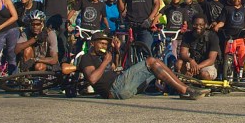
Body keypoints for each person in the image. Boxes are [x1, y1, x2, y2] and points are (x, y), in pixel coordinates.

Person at [78, 32, 209, 100]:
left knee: (157, 66)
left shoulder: (102, 57)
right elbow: (93, 79)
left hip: (123, 86)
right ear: (92, 44)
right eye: (100, 43)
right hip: (115, 90)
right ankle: (185, 91)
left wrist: (116, 52)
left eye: (105, 44)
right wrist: (105, 62)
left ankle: (182, 88)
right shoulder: (87, 58)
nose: (103, 46)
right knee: (151, 61)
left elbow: (115, 69)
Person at [213, 0, 245, 70]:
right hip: (230, 37)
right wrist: (217, 26)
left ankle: (243, 75)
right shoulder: (227, 8)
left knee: (243, 58)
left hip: (243, 37)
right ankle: (228, 74)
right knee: (228, 57)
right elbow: (222, 22)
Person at [178, 15, 220, 80]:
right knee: (179, 63)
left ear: (205, 25)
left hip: (206, 65)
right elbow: (183, 53)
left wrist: (196, 67)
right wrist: (191, 60)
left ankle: (204, 88)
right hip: (192, 63)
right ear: (192, 25)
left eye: (201, 25)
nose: (198, 27)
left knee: (204, 74)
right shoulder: (187, 35)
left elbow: (211, 60)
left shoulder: (213, 36)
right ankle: (184, 83)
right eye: (195, 25)